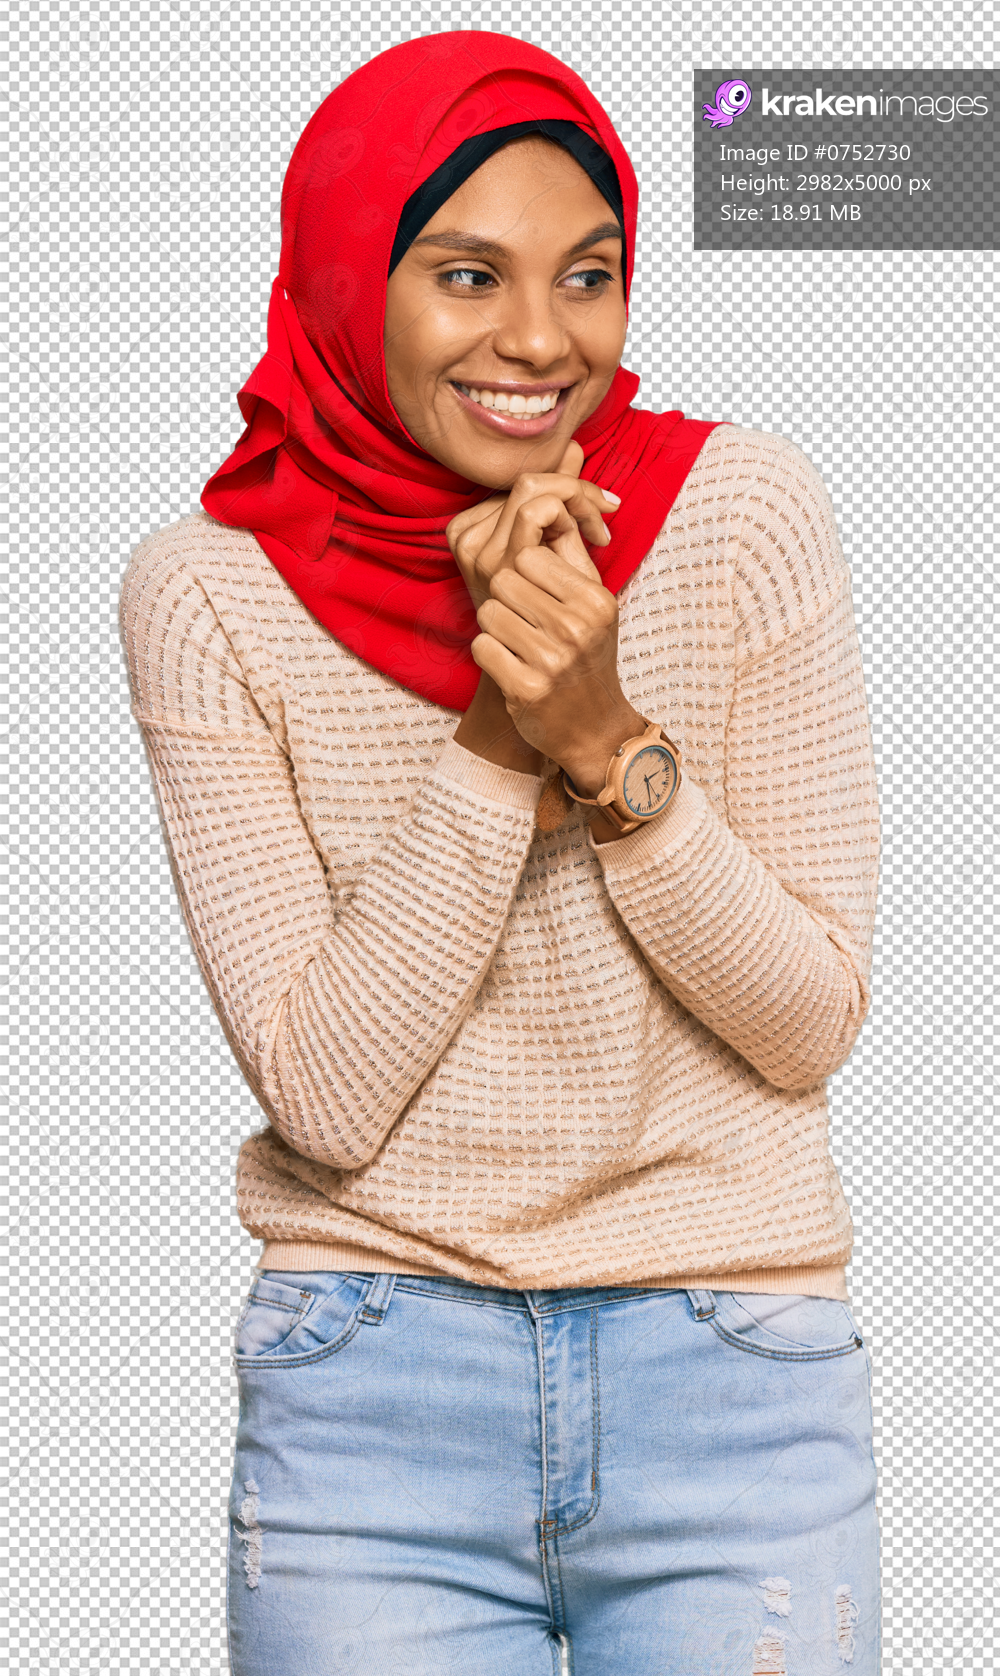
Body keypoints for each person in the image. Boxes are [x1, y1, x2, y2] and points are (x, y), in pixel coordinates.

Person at [119, 30, 882, 1676]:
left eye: (588, 277)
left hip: (731, 1373)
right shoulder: (205, 591)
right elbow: (325, 1093)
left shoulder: (744, 512)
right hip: (374, 1386)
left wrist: (607, 744)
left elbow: (809, 1021)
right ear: (348, 279)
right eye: (468, 276)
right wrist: (492, 729)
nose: (541, 341)